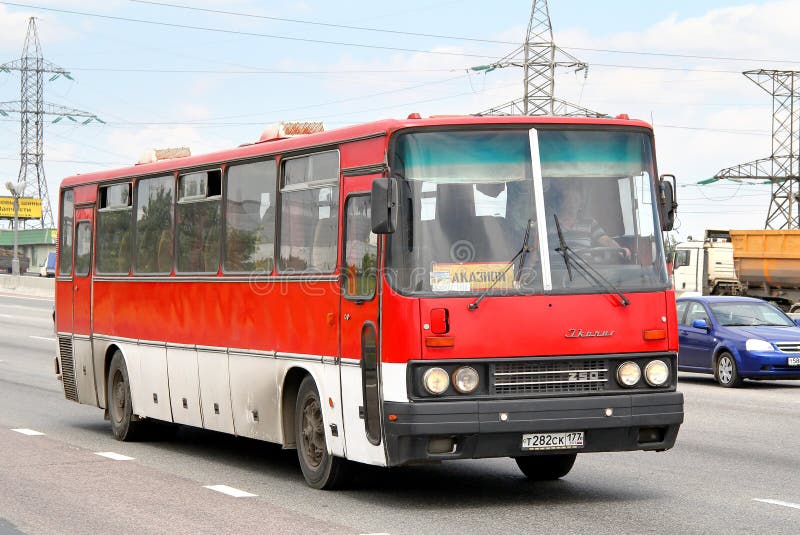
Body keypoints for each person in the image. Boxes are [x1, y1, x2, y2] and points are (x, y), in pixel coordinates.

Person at [547, 184, 630, 260]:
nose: (572, 204)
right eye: (568, 200)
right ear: (561, 203)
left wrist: (620, 249)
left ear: (580, 205)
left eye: (576, 200)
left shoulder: (589, 222)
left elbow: (605, 240)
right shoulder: (549, 224)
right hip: (557, 271)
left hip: (585, 271)